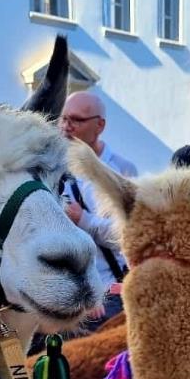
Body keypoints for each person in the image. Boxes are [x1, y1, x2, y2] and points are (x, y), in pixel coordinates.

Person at [59, 91, 138, 331]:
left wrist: (83, 219)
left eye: (76, 120)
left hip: (113, 292)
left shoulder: (122, 169)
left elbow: (130, 237)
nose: (66, 126)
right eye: (63, 119)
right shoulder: (53, 168)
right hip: (71, 294)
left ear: (100, 125)